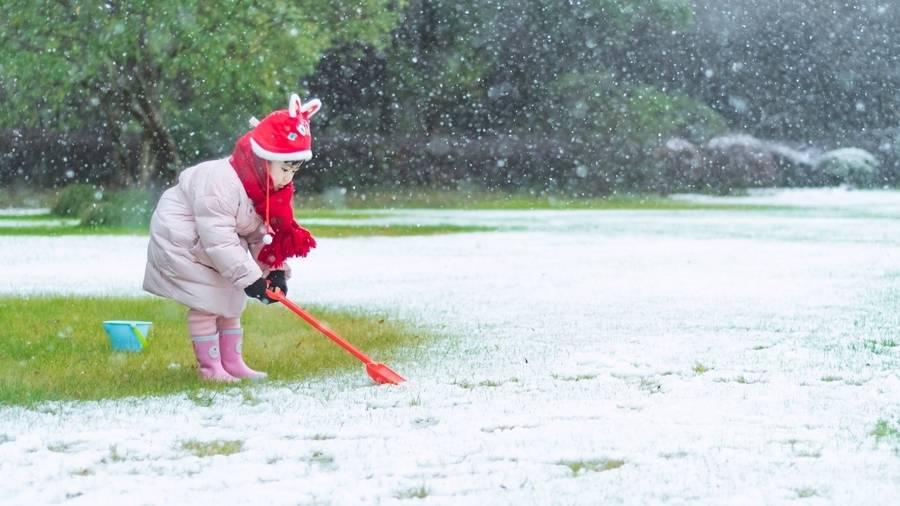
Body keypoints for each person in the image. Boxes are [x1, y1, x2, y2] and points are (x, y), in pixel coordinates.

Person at [143, 93, 321, 381]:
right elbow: (219, 240)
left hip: (214, 243)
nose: (288, 178)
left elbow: (262, 234)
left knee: (230, 299)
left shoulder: (267, 191)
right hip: (183, 238)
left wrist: (275, 273)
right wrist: (251, 279)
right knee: (207, 301)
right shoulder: (221, 184)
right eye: (283, 168)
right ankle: (211, 369)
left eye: (293, 169)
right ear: (264, 161)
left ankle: (233, 363)